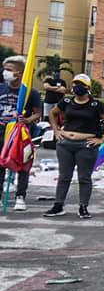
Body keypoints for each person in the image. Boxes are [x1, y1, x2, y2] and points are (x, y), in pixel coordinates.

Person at [44, 74, 104, 218]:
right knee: (64, 176)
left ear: (88, 88)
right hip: (65, 143)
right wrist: (56, 130)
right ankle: (58, 205)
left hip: (86, 144)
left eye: (81, 85)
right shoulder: (66, 101)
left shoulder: (96, 105)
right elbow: (52, 113)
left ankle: (83, 206)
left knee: (84, 177)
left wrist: (102, 139)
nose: (78, 87)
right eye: (75, 84)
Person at [0, 55, 42, 211]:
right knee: (1, 165)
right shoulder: (1, 88)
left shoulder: (31, 92)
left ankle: (20, 196)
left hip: (20, 136)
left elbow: (38, 113)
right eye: (5, 69)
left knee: (22, 166)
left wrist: (27, 120)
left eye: (9, 70)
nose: (5, 73)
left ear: (19, 73)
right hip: (2, 132)